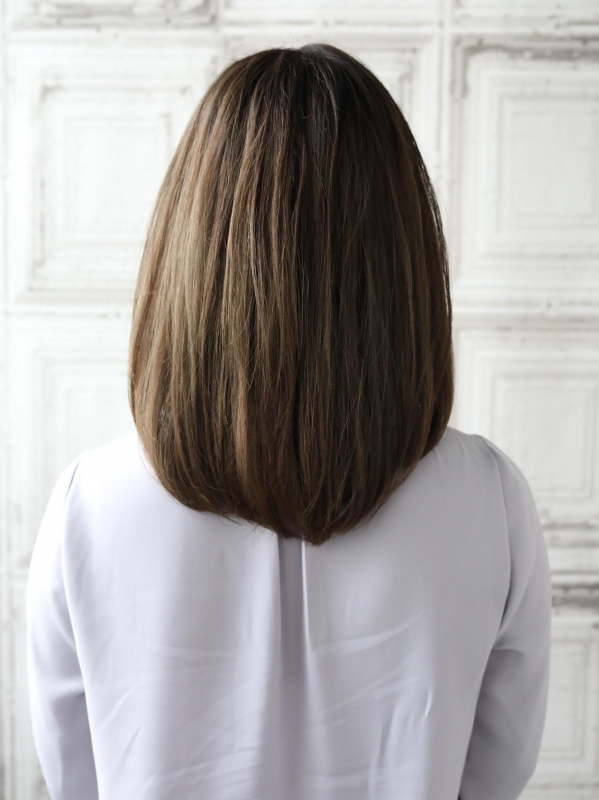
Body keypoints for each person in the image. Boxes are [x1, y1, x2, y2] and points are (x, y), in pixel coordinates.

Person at [26, 43, 552, 800]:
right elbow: (493, 777)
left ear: (190, 253)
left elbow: (76, 779)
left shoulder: (86, 507)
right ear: (402, 264)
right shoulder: (489, 502)